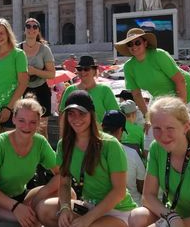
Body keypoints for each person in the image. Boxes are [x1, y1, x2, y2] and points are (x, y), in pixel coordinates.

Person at [37, 90, 137, 227]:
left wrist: (88, 219)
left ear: (92, 114)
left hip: (117, 210)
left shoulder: (110, 144)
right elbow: (65, 183)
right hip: (88, 206)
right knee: (44, 209)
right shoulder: (64, 145)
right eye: (71, 114)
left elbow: (119, 192)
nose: (76, 119)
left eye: (82, 113)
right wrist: (65, 207)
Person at [0, 95, 60, 226]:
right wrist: (16, 207)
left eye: (32, 122)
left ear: (39, 122)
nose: (27, 126)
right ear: (14, 119)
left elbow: (62, 174)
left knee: (68, 194)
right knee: (31, 222)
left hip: (21, 197)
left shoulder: (40, 142)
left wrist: (41, 195)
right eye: (22, 120)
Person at [129, 97, 190, 227]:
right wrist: (170, 217)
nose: (163, 135)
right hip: (174, 217)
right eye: (157, 128)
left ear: (186, 127)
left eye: (170, 128)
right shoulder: (157, 148)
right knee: (137, 216)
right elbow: (148, 196)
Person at [115, 28, 190, 125]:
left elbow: (180, 81)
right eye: (130, 44)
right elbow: (136, 94)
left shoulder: (159, 55)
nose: (134, 46)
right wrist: (147, 118)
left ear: (145, 43)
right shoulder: (128, 67)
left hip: (189, 94)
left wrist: (181, 109)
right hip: (163, 101)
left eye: (137, 42)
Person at [0, 18, 28, 153]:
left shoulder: (18, 54)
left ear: (8, 33)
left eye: (1, 33)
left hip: (14, 110)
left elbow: (23, 83)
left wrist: (8, 108)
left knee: (12, 152)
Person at [19, 18, 56, 138]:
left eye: (35, 27)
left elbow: (52, 74)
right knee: (23, 125)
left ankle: (43, 154)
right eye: (28, 26)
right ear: (24, 30)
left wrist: (35, 71)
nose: (31, 29)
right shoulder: (17, 49)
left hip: (41, 90)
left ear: (38, 31)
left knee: (42, 128)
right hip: (22, 89)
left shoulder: (45, 49)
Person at [102, 110, 145, 207]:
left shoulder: (92, 153)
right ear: (120, 130)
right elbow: (141, 186)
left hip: (100, 206)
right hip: (131, 208)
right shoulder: (132, 154)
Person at [59, 55, 119, 123]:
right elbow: (62, 115)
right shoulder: (70, 90)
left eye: (86, 69)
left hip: (99, 132)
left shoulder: (105, 90)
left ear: (94, 71)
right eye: (79, 69)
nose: (83, 72)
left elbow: (115, 114)